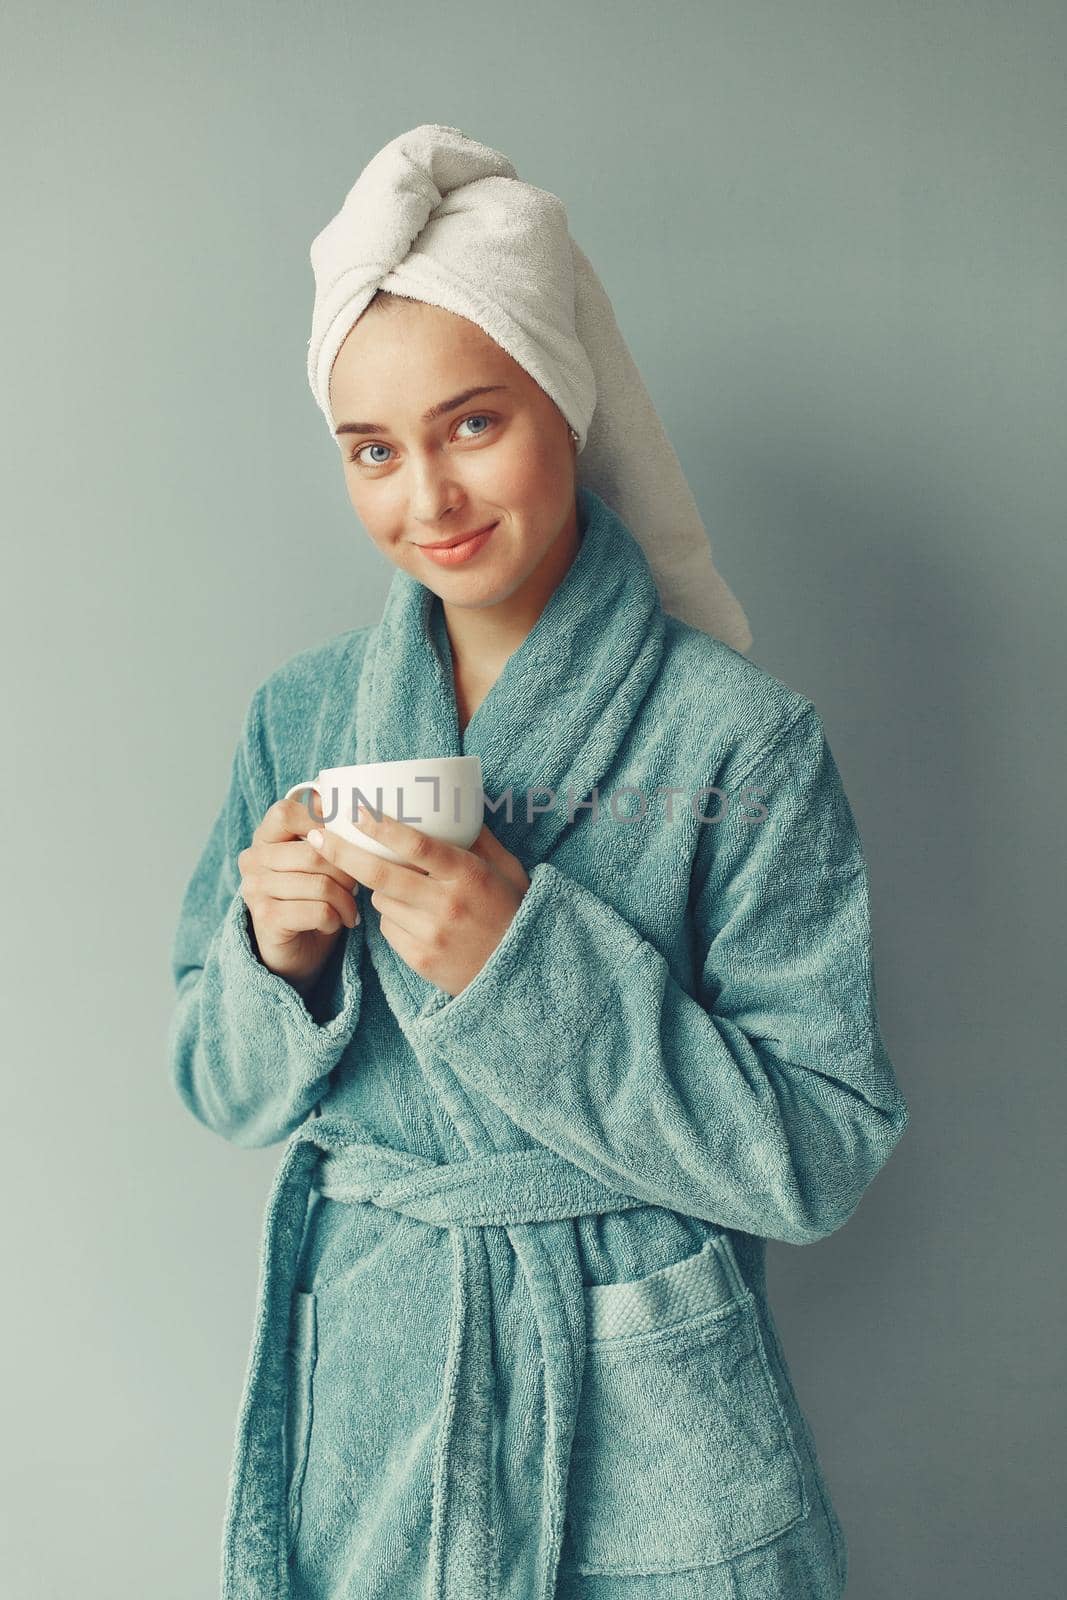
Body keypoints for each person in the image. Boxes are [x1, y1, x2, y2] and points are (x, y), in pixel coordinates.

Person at [168, 126, 909, 1600]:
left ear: (565, 408)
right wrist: (275, 965)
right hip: (372, 1381)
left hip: (640, 1400)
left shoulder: (738, 742)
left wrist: (528, 967)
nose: (426, 499)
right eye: (373, 451)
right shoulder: (302, 722)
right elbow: (218, 1083)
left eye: (473, 424)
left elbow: (821, 1150)